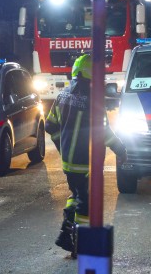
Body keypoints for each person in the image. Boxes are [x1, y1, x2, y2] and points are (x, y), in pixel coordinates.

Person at [45, 54, 126, 255]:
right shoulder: (93, 101)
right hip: (85, 160)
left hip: (68, 162)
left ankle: (67, 233)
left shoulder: (62, 96)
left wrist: (61, 146)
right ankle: (78, 242)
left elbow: (49, 125)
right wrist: (121, 149)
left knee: (77, 194)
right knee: (86, 201)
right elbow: (104, 133)